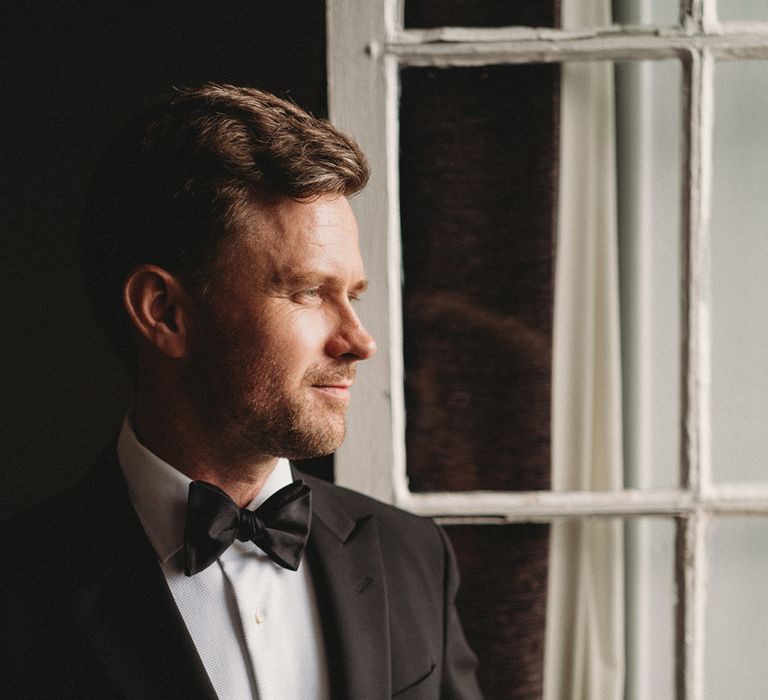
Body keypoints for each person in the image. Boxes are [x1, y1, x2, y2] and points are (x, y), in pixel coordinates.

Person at [0, 84, 482, 699]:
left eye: (352, 295)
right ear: (165, 311)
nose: (360, 342)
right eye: (309, 291)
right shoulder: (20, 595)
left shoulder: (414, 557)